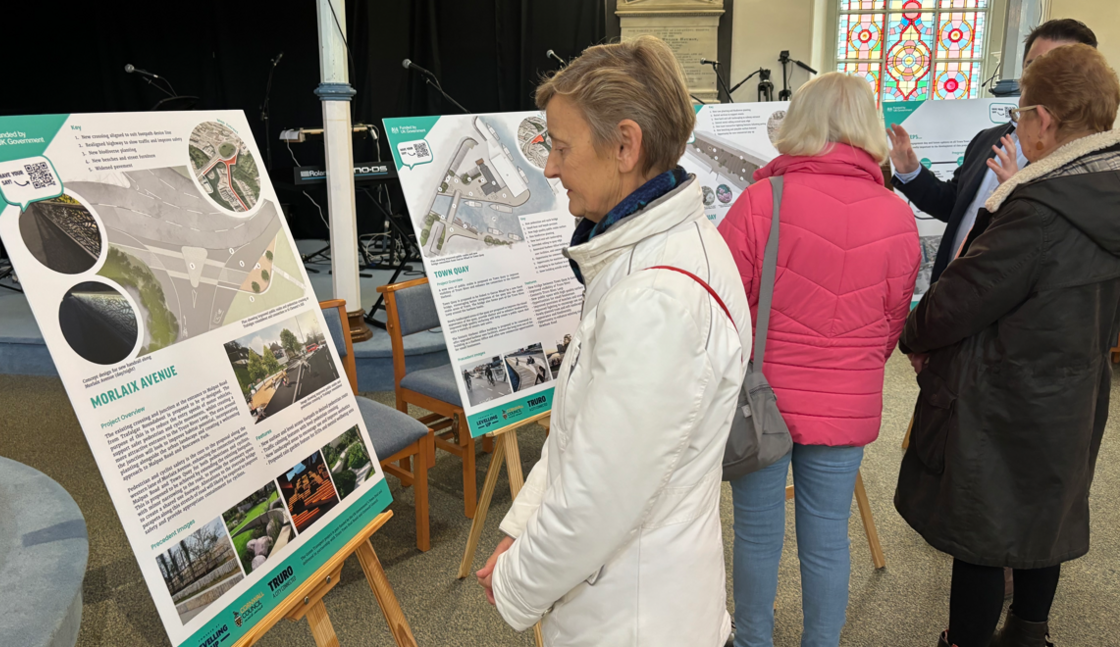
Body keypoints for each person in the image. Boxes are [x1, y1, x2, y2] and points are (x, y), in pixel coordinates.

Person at [474, 35, 752, 646]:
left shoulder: (659, 298)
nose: (549, 167)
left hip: (636, 620)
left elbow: (598, 502)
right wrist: (522, 527)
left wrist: (517, 580)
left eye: (561, 147)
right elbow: (585, 440)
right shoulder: (655, 253)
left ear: (625, 145)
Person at [896, 44, 1120, 647]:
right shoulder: (1105, 188)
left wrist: (912, 333)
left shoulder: (1041, 207)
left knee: (985, 529)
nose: (1016, 125)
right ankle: (1028, 634)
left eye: (1020, 113)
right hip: (1076, 388)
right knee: (1045, 512)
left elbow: (957, 301)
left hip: (1007, 392)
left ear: (1042, 120)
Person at [716, 72, 920, 647]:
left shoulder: (762, 201)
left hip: (763, 402)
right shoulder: (896, 213)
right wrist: (852, 365)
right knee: (828, 536)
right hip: (846, 400)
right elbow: (891, 322)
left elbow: (725, 305)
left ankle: (754, 640)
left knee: (757, 535)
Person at [887, 19, 1098, 286]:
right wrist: (911, 173)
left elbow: (1071, 249)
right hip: (951, 296)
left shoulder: (1089, 156)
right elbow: (954, 206)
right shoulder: (988, 139)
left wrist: (1017, 194)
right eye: (1033, 67)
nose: (1042, 79)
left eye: (1057, 68)